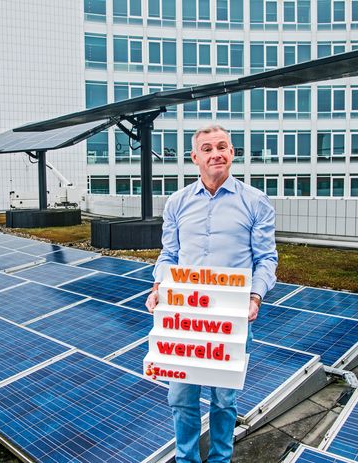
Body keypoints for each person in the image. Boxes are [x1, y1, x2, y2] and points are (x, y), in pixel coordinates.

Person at [145, 125, 277, 463]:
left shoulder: (255, 201)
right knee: (180, 397)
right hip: (185, 317)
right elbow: (168, 255)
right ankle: (186, 459)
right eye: (207, 148)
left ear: (232, 153)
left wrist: (255, 296)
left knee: (224, 400)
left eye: (222, 146)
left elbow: (266, 259)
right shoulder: (176, 203)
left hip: (231, 318)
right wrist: (159, 285)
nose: (215, 153)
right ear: (195, 158)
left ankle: (221, 458)